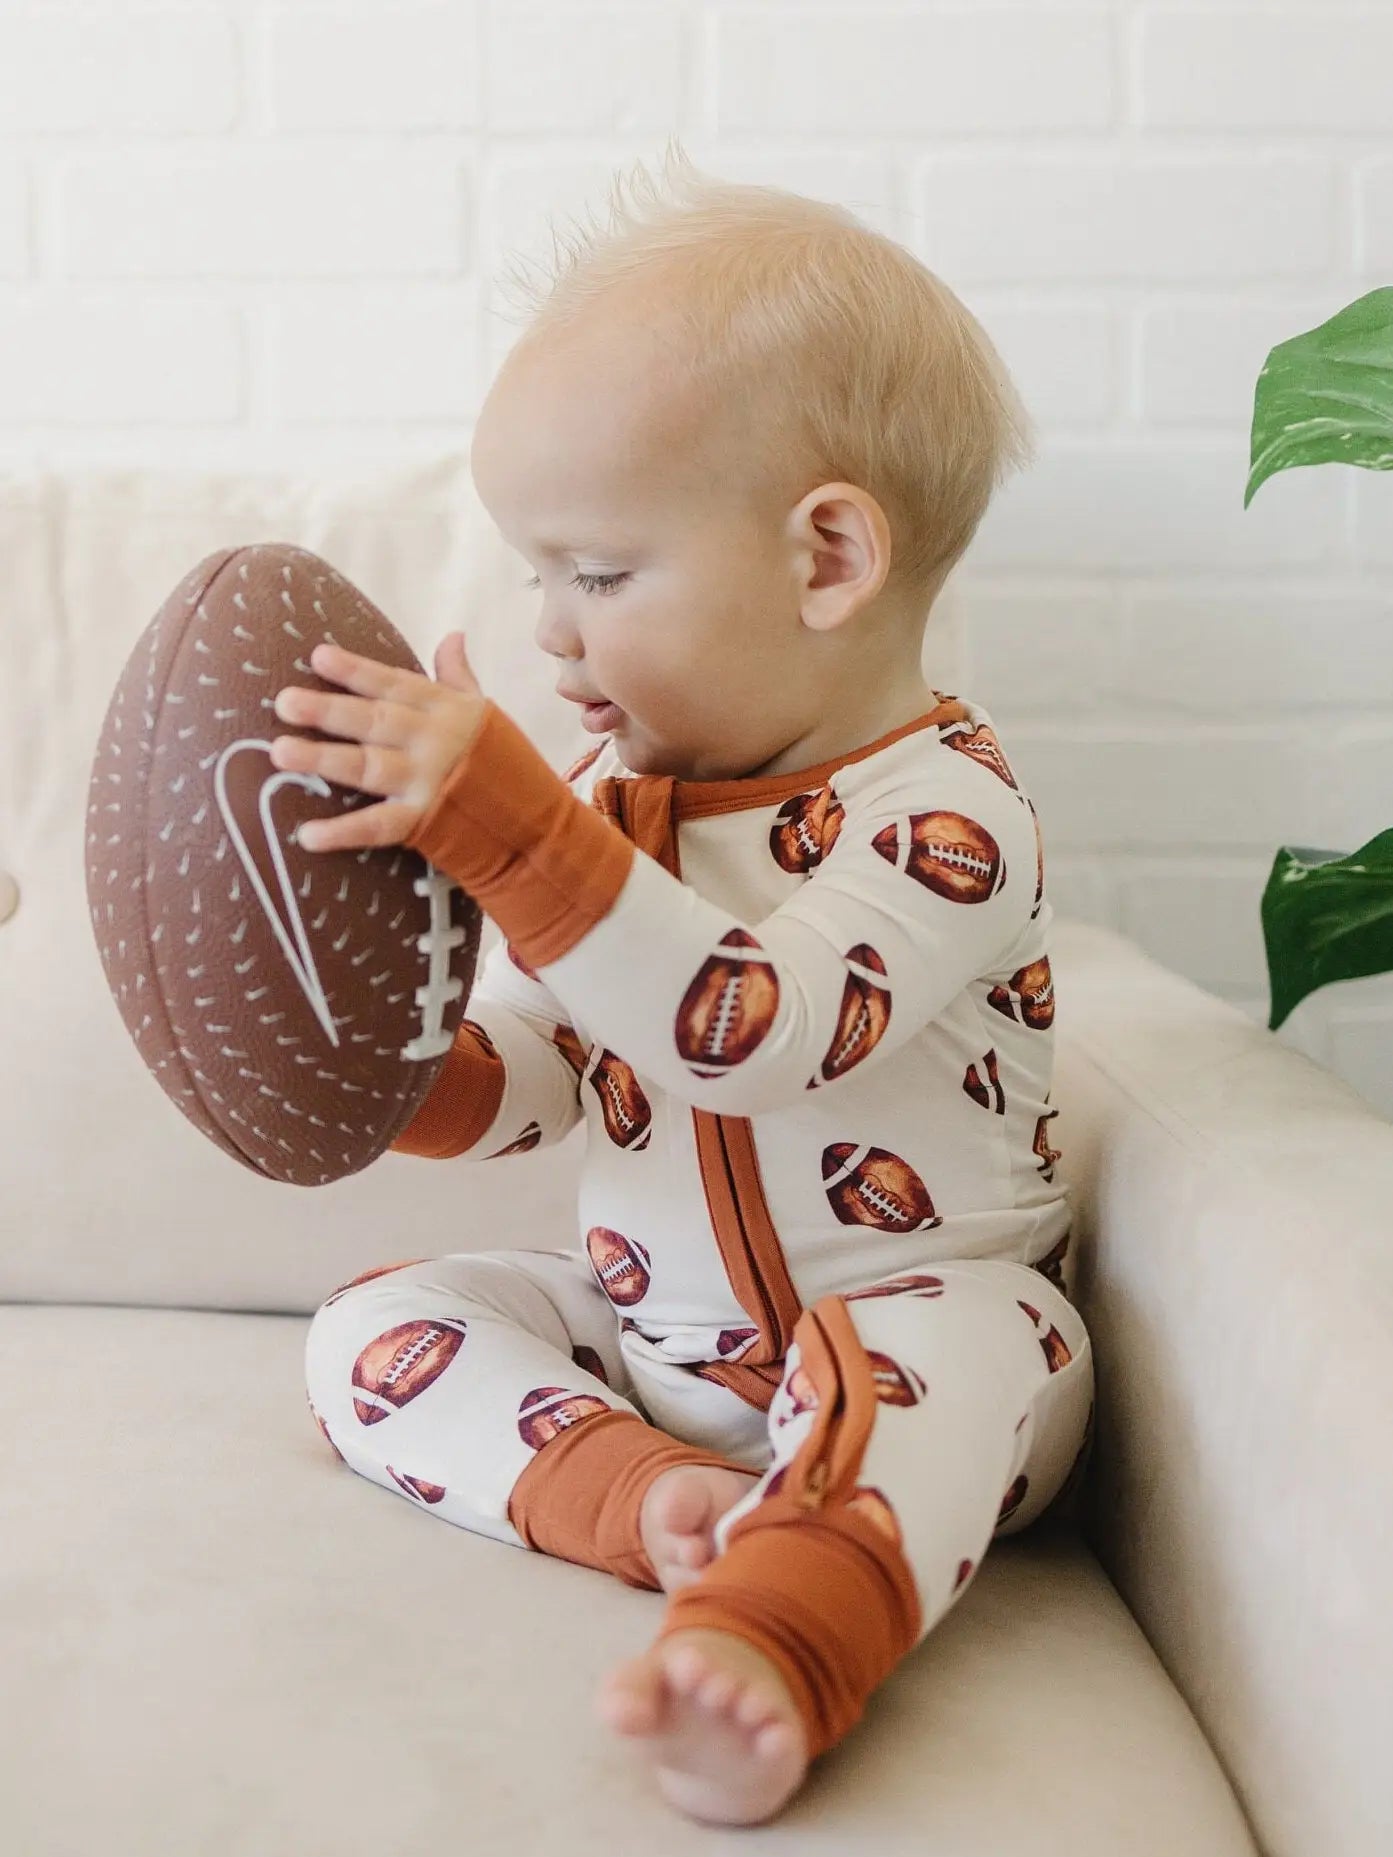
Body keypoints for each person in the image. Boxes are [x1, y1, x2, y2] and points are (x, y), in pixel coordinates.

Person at [291, 140, 1094, 1828]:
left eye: (596, 573)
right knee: (375, 1324)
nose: (552, 632)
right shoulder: (612, 812)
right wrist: (398, 1071)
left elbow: (751, 1028)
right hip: (657, 1349)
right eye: (537, 578)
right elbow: (558, 1063)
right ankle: (646, 1498)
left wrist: (511, 828)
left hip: (919, 1339)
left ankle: (777, 1635)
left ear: (825, 560)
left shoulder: (944, 817)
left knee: (945, 1353)